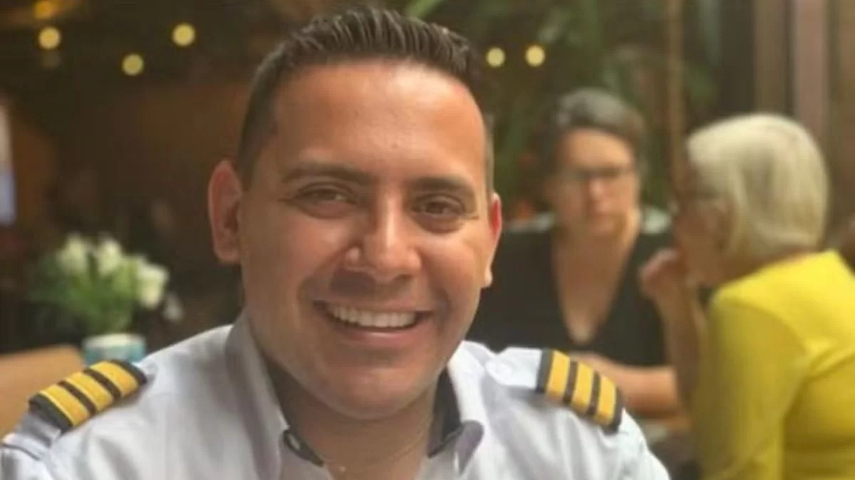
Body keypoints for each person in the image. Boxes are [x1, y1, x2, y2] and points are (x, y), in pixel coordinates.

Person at [1, 8, 667, 480]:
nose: (385, 257)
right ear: (231, 217)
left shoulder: (580, 454)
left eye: (436, 207)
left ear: (489, 241)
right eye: (327, 195)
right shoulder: (89, 467)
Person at [641, 114, 855, 480]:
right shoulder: (830, 274)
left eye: (683, 202)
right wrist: (678, 310)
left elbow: (735, 469)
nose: (674, 221)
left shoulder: (749, 305)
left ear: (725, 212)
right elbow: (712, 421)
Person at [469, 89, 680, 417]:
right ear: (547, 185)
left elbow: (717, 380)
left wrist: (605, 383)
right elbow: (471, 363)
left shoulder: (674, 253)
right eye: (577, 177)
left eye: (611, 173)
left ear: (639, 175)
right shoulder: (509, 256)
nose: (596, 193)